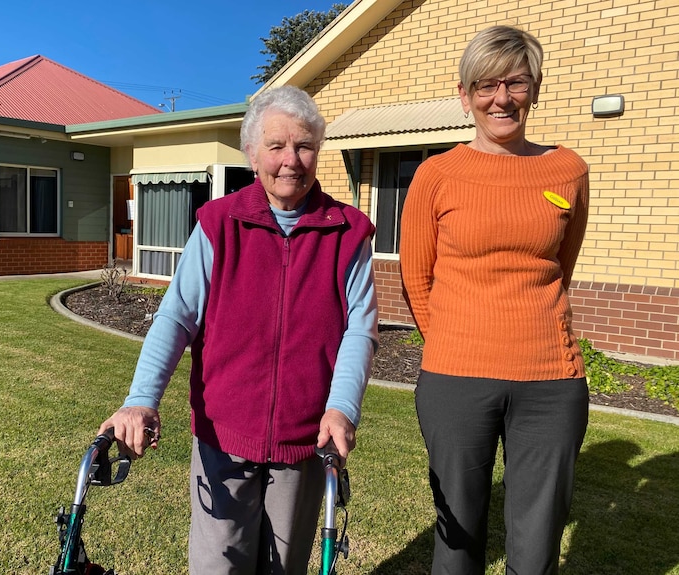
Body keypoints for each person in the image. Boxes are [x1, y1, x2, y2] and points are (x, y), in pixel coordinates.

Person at [99, 85, 378, 575]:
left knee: (284, 566)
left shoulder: (347, 231)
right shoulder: (218, 223)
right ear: (252, 153)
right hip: (222, 436)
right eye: (276, 146)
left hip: (304, 438)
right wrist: (142, 398)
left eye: (305, 145)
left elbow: (360, 329)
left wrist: (341, 408)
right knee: (217, 565)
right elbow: (176, 316)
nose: (291, 160)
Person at [399, 25, 590, 574]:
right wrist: (460, 343)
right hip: (456, 379)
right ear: (464, 95)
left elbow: (561, 265)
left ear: (535, 89)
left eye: (516, 83)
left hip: (551, 381)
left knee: (536, 546)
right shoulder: (436, 175)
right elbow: (417, 278)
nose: (500, 98)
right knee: (457, 538)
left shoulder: (568, 170)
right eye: (485, 85)